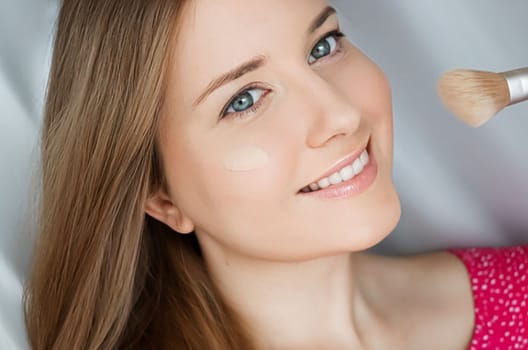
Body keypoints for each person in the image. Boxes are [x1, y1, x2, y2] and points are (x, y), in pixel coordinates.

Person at [23, 0, 528, 349]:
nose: (342, 115)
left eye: (323, 46)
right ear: (160, 197)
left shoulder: (516, 292)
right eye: (243, 100)